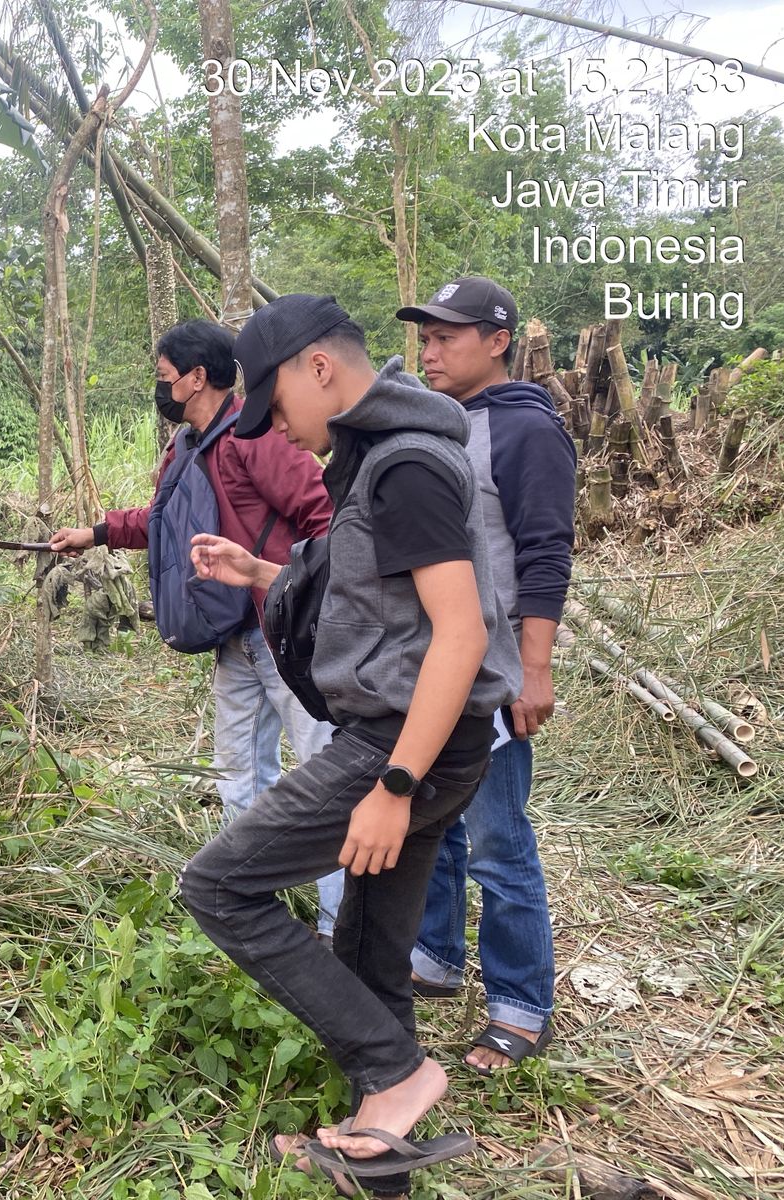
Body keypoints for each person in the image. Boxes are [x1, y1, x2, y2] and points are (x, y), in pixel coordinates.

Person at [178, 295, 521, 1198]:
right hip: (425, 741)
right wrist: (262, 572)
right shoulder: (377, 456)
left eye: (277, 404)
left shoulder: (406, 464)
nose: (280, 430)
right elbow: (383, 593)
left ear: (319, 368)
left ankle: (399, 1072)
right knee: (370, 953)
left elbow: (459, 633)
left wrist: (395, 785)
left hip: (403, 744)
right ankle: (381, 1157)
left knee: (218, 886)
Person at [48, 320, 342, 932]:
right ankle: (252, 906)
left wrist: (304, 593)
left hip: (285, 633)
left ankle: (340, 925)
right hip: (232, 637)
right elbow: (160, 519)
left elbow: (325, 516)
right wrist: (95, 533)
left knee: (324, 774)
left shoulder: (257, 438)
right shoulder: (185, 447)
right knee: (237, 773)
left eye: (164, 377)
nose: (160, 389)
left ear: (197, 377)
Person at [396, 277, 575, 1073]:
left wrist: (534, 668)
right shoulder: (435, 423)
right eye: (426, 337)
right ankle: (435, 957)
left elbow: (544, 551)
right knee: (430, 821)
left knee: (498, 837)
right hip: (430, 664)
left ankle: (521, 1004)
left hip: (494, 671)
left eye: (448, 337)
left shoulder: (526, 429)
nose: (430, 351)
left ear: (499, 341)